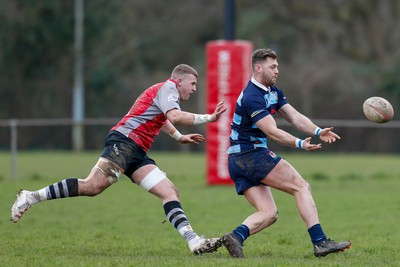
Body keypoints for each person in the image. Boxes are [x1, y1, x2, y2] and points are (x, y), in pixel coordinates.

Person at [11, 64, 227, 255]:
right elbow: (175, 117)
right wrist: (209, 118)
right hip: (124, 142)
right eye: (192, 83)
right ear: (179, 80)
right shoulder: (168, 88)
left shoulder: (164, 93)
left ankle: (194, 241)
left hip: (137, 150)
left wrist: (179, 137)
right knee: (92, 186)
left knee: (169, 192)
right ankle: (31, 197)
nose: (194, 88)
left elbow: (161, 120)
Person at [220, 48, 351, 258]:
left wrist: (318, 131)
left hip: (238, 159)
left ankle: (235, 237)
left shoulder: (273, 91)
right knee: (301, 186)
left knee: (269, 214)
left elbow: (294, 117)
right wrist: (300, 144)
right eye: (273, 67)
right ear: (258, 68)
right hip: (250, 155)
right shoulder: (253, 96)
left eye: (277, 66)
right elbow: (271, 131)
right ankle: (320, 242)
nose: (277, 71)